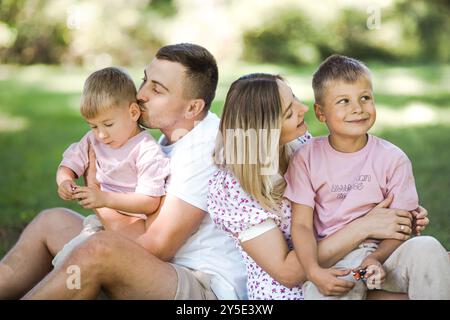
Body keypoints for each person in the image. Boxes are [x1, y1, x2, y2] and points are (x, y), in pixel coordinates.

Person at [0, 43, 247, 300]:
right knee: (51, 222)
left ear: (192, 108)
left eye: (157, 89)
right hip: (162, 267)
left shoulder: (204, 151)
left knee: (99, 249)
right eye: (145, 80)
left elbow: (155, 247)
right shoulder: (169, 138)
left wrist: (99, 198)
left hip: (203, 286)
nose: (141, 95)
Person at [207, 73, 431, 300]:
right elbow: (287, 273)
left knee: (435, 268)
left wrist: (399, 208)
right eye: (289, 112)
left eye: (293, 97)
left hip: (353, 264)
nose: (303, 108)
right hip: (298, 292)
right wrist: (365, 226)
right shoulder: (233, 189)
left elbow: (342, 198)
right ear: (266, 130)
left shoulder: (299, 145)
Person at [285, 54, 450, 300]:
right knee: (318, 293)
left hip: (387, 256)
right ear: (321, 113)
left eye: (365, 98)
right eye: (343, 101)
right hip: (337, 262)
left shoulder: (393, 158)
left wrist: (375, 258)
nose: (357, 108)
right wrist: (313, 271)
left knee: (428, 248)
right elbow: (301, 225)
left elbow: (403, 225)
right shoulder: (306, 158)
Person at [53, 66, 170, 267]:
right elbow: (68, 166)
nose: (100, 135)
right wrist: (65, 181)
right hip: (101, 223)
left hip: (133, 231)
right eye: (93, 126)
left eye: (108, 125)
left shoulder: (146, 151)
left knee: (77, 266)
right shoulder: (93, 141)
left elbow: (149, 202)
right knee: (67, 263)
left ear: (133, 112)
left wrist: (103, 198)